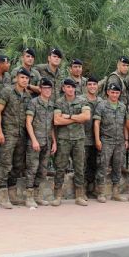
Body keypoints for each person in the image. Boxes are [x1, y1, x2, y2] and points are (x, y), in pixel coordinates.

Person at [0, 68, 32, 209]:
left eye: (26, 78)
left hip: (21, 135)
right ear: (16, 78)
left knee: (17, 165)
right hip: (8, 133)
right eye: (22, 77)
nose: (24, 80)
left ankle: (12, 192)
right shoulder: (7, 91)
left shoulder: (28, 96)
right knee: (5, 163)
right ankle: (3, 196)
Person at [52, 79, 91, 207]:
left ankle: (79, 195)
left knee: (79, 167)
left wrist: (68, 117)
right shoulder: (59, 102)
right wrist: (76, 119)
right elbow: (57, 121)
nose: (70, 89)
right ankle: (57, 196)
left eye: (72, 87)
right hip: (63, 139)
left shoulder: (82, 101)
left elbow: (86, 117)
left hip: (79, 139)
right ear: (63, 88)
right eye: (68, 87)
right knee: (60, 168)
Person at [24, 77, 56, 207]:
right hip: (35, 142)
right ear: (40, 89)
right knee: (32, 169)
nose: (47, 90)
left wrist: (54, 142)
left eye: (49, 88)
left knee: (42, 170)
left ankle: (37, 195)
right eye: (45, 88)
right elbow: (28, 123)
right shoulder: (34, 103)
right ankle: (29, 197)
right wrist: (33, 140)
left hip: (47, 142)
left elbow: (52, 125)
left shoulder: (51, 105)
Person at [94, 83, 128, 202]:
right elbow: (97, 123)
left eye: (117, 93)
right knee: (103, 166)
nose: (114, 95)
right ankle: (101, 193)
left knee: (117, 166)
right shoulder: (102, 105)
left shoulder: (122, 106)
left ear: (119, 93)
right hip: (106, 140)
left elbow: (124, 125)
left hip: (119, 141)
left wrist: (126, 139)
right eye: (112, 92)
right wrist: (97, 139)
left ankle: (115, 193)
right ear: (108, 92)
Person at [83, 76, 102, 200]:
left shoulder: (101, 101)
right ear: (86, 86)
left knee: (95, 164)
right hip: (84, 137)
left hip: (98, 138)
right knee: (82, 164)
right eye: (90, 84)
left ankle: (92, 189)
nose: (92, 87)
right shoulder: (80, 100)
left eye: (94, 84)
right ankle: (82, 191)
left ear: (97, 86)